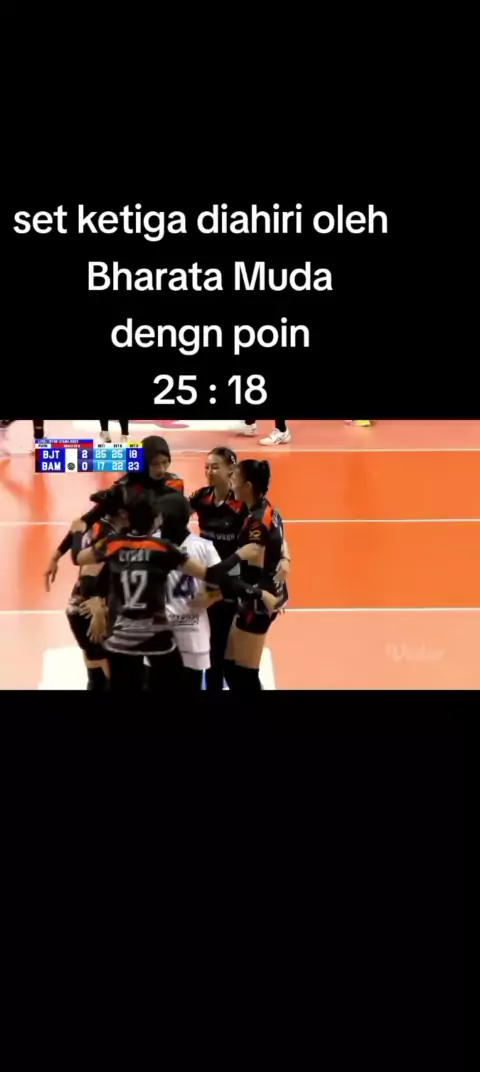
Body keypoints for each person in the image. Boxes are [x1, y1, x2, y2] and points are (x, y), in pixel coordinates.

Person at [73, 490, 278, 693]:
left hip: (124, 640)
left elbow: (80, 560)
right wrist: (255, 590)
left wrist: (77, 531)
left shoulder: (113, 545)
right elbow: (212, 575)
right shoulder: (162, 548)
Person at [189, 446, 291, 691]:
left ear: (231, 471)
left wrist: (284, 560)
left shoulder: (247, 507)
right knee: (222, 659)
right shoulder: (202, 497)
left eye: (216, 467)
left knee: (239, 670)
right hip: (229, 585)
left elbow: (260, 551)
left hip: (239, 588)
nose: (209, 471)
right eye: (206, 466)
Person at [42, 435, 184, 588]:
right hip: (117, 545)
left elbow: (177, 524)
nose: (161, 469)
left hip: (152, 545)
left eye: (165, 462)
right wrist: (56, 557)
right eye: (155, 464)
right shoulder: (124, 490)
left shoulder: (175, 484)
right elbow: (85, 521)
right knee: (88, 587)